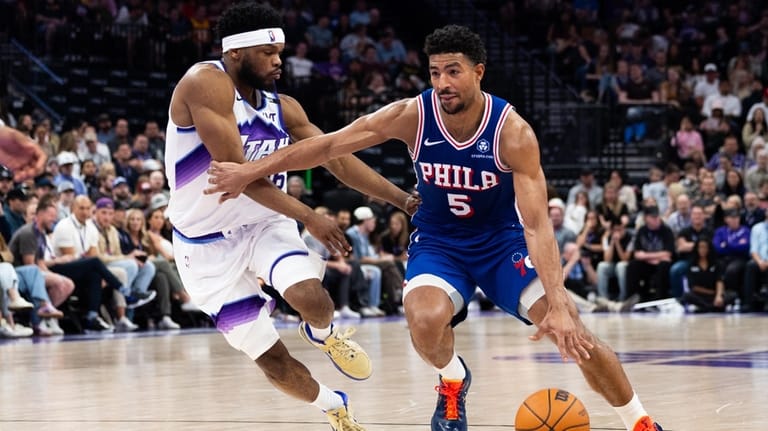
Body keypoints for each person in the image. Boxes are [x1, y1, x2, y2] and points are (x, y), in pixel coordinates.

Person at [205, 24, 663, 431]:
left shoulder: (511, 132)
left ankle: (639, 420)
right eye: (435, 72)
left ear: (479, 72)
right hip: (440, 242)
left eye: (454, 71)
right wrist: (249, 171)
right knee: (423, 323)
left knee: (574, 333)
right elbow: (328, 146)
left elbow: (539, 225)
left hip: (501, 243)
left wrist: (560, 304)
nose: (443, 82)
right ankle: (453, 380)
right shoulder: (413, 115)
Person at [164, 3, 419, 431]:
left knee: (312, 299)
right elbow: (237, 176)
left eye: (279, 51)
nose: (279, 60)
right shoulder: (204, 82)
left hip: (266, 224)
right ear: (235, 53)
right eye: (267, 52)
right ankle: (332, 405)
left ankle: (323, 333)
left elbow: (336, 158)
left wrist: (403, 201)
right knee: (272, 361)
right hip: (203, 245)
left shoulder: (285, 108)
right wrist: (311, 217)